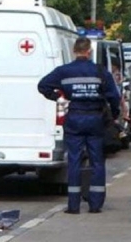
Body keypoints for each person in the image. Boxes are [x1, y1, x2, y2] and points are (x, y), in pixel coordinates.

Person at [38, 37, 120, 214]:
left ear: (74, 51)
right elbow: (114, 96)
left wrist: (58, 98)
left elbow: (42, 85)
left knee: (74, 160)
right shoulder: (100, 71)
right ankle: (96, 204)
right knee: (97, 160)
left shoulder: (64, 71)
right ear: (89, 51)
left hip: (74, 117)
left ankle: (73, 205)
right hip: (96, 118)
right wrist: (114, 116)